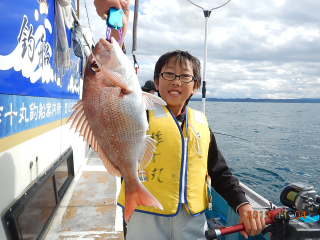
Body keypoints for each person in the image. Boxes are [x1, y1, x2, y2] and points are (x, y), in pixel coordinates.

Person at [94, 1, 265, 239]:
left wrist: (242, 204)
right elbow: (111, 75)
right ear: (156, 80)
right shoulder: (140, 110)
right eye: (169, 74)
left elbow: (219, 171)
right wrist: (117, 28)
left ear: (195, 86)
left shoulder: (201, 122)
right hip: (146, 215)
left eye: (185, 77)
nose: (176, 81)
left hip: (192, 220)